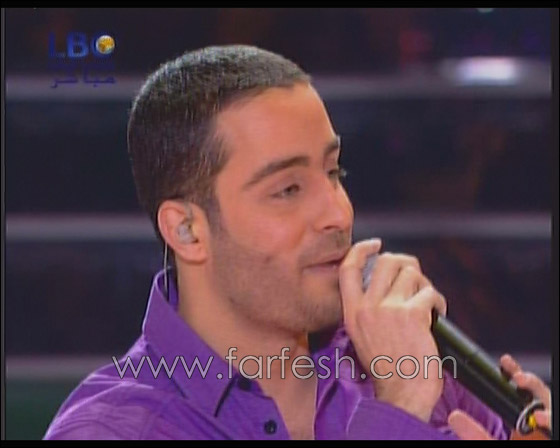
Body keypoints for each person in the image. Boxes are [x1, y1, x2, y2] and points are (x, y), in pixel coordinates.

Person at [43, 45, 551, 440]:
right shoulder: (116, 430)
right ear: (187, 230)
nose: (338, 214)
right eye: (287, 189)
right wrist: (396, 413)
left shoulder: (416, 368)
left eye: (334, 172)